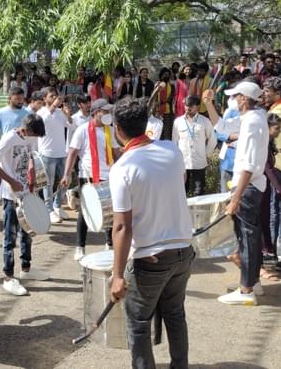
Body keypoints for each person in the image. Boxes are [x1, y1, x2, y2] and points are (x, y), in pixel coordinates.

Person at [108, 97, 194, 369]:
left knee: (139, 322)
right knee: (175, 314)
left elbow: (122, 226)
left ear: (117, 129)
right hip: (183, 250)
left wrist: (117, 275)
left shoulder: (122, 168)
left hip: (151, 258)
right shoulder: (172, 150)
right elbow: (177, 184)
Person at [204, 81, 269, 306]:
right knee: (250, 236)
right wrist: (209, 104)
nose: (233, 100)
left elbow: (249, 164)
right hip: (250, 185)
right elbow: (222, 127)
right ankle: (253, 283)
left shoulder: (252, 122)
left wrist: (236, 197)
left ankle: (246, 290)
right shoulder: (253, 117)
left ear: (243, 99)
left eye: (235, 96)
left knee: (247, 238)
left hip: (247, 186)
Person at [0, 114, 50, 296]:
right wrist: (11, 181)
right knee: (10, 236)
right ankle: (8, 277)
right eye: (35, 135)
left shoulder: (30, 138)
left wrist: (31, 169)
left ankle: (26, 269)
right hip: (10, 195)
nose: (35, 139)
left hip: (25, 192)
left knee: (27, 233)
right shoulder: (9, 138)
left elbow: (30, 156)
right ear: (27, 130)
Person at [61, 99, 121, 260]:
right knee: (85, 212)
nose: (108, 114)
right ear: (95, 112)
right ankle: (80, 247)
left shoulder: (110, 130)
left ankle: (109, 244)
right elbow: (72, 153)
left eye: (109, 112)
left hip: (108, 176)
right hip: (88, 176)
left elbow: (116, 153)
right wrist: (67, 174)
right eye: (105, 111)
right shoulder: (82, 130)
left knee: (109, 211)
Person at [263, 77, 281, 257]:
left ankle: (273, 249)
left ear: (278, 93)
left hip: (277, 167)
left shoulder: (277, 113)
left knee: (276, 211)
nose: (264, 94)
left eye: (268, 91)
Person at [37, 87, 71, 223]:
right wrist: (54, 107)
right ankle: (49, 210)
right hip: (47, 153)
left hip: (61, 153)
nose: (55, 98)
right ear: (44, 98)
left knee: (66, 180)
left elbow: (71, 125)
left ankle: (57, 205)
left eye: (56, 96)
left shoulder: (60, 112)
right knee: (48, 184)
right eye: (52, 96)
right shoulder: (41, 112)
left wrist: (68, 115)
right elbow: (43, 122)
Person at [172, 95, 216, 197]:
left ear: (198, 107)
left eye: (191, 105)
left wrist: (206, 154)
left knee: (199, 193)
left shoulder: (204, 121)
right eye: (186, 105)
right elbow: (174, 142)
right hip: (183, 163)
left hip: (199, 163)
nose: (188, 108)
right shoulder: (178, 122)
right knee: (182, 192)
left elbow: (212, 139)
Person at [156, 68, 175, 141]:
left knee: (167, 131)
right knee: (158, 131)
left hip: (168, 112)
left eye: (167, 74)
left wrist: (162, 102)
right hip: (158, 112)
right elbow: (154, 97)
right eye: (164, 74)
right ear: (161, 75)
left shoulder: (172, 85)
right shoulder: (157, 84)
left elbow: (171, 98)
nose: (166, 76)